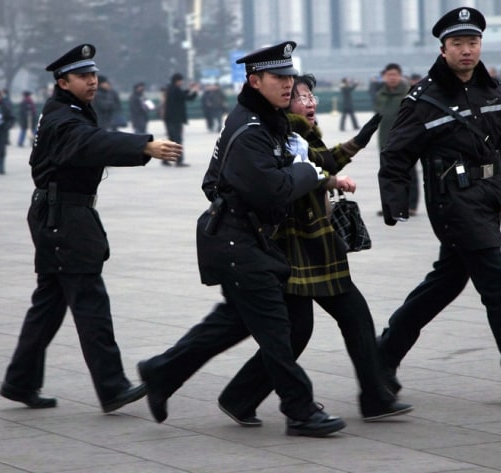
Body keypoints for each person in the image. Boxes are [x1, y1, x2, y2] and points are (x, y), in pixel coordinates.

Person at [137, 42, 346, 437]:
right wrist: (310, 172)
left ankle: (162, 371)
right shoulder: (251, 129)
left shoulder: (264, 119)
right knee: (275, 330)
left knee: (231, 322)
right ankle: (300, 410)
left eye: (290, 77)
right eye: (279, 79)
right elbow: (275, 189)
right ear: (255, 81)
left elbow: (217, 181)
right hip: (239, 244)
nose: (288, 85)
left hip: (246, 239)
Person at [377, 7, 501, 401]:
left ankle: (382, 356)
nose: (466, 51)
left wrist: (499, 186)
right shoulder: (424, 98)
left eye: (472, 42)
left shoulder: (490, 89)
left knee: (444, 284)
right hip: (453, 204)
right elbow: (395, 154)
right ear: (443, 49)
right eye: (457, 43)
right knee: (500, 283)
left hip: (485, 202)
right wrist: (394, 201)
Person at [217, 73, 412, 425]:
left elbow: (322, 159)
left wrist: (357, 142)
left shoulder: (302, 134)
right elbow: (299, 175)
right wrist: (329, 179)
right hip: (293, 245)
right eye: (300, 96)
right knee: (298, 331)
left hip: (316, 242)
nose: (308, 103)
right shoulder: (280, 134)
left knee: (349, 317)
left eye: (310, 97)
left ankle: (374, 396)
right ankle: (249, 397)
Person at [0, 43, 183, 413]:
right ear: (63, 81)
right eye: (84, 76)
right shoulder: (63, 119)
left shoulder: (69, 111)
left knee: (49, 304)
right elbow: (90, 143)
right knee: (89, 301)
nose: (93, 82)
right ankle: (112, 386)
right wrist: (144, 146)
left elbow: (93, 140)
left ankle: (20, 382)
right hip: (63, 218)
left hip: (61, 214)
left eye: (94, 75)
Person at [374, 63, 417, 214]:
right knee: (387, 175)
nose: (392, 78)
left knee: (408, 173)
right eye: (389, 75)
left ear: (400, 76)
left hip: (406, 139)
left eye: (395, 75)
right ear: (384, 77)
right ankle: (390, 206)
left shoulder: (409, 94)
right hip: (385, 139)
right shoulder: (380, 95)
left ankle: (411, 205)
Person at [163, 73, 199, 166]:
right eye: (181, 80)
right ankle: (179, 161)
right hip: (175, 119)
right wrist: (195, 91)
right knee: (177, 140)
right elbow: (188, 98)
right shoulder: (175, 89)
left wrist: (190, 89)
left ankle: (165, 159)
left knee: (171, 139)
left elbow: (182, 94)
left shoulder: (171, 88)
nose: (182, 82)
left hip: (169, 118)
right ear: (177, 81)